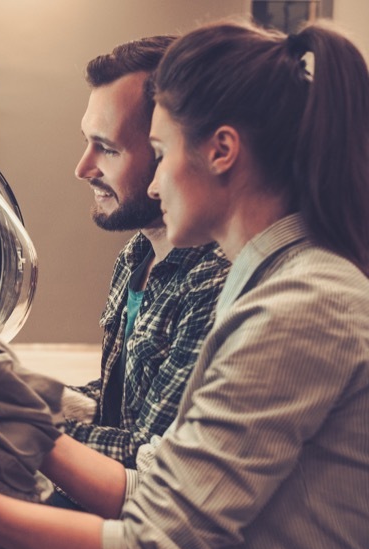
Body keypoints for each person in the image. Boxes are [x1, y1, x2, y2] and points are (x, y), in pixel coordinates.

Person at [0, 19, 369, 549]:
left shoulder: (302, 307)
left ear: (222, 150)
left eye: (162, 151)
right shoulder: (261, 281)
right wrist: (17, 417)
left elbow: (150, 548)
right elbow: (158, 490)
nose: (155, 175)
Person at [60, 37, 230, 473]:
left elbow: (147, 459)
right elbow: (123, 405)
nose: (83, 168)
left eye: (109, 148)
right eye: (87, 141)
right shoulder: (136, 255)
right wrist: (33, 396)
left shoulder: (216, 283)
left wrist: (16, 424)